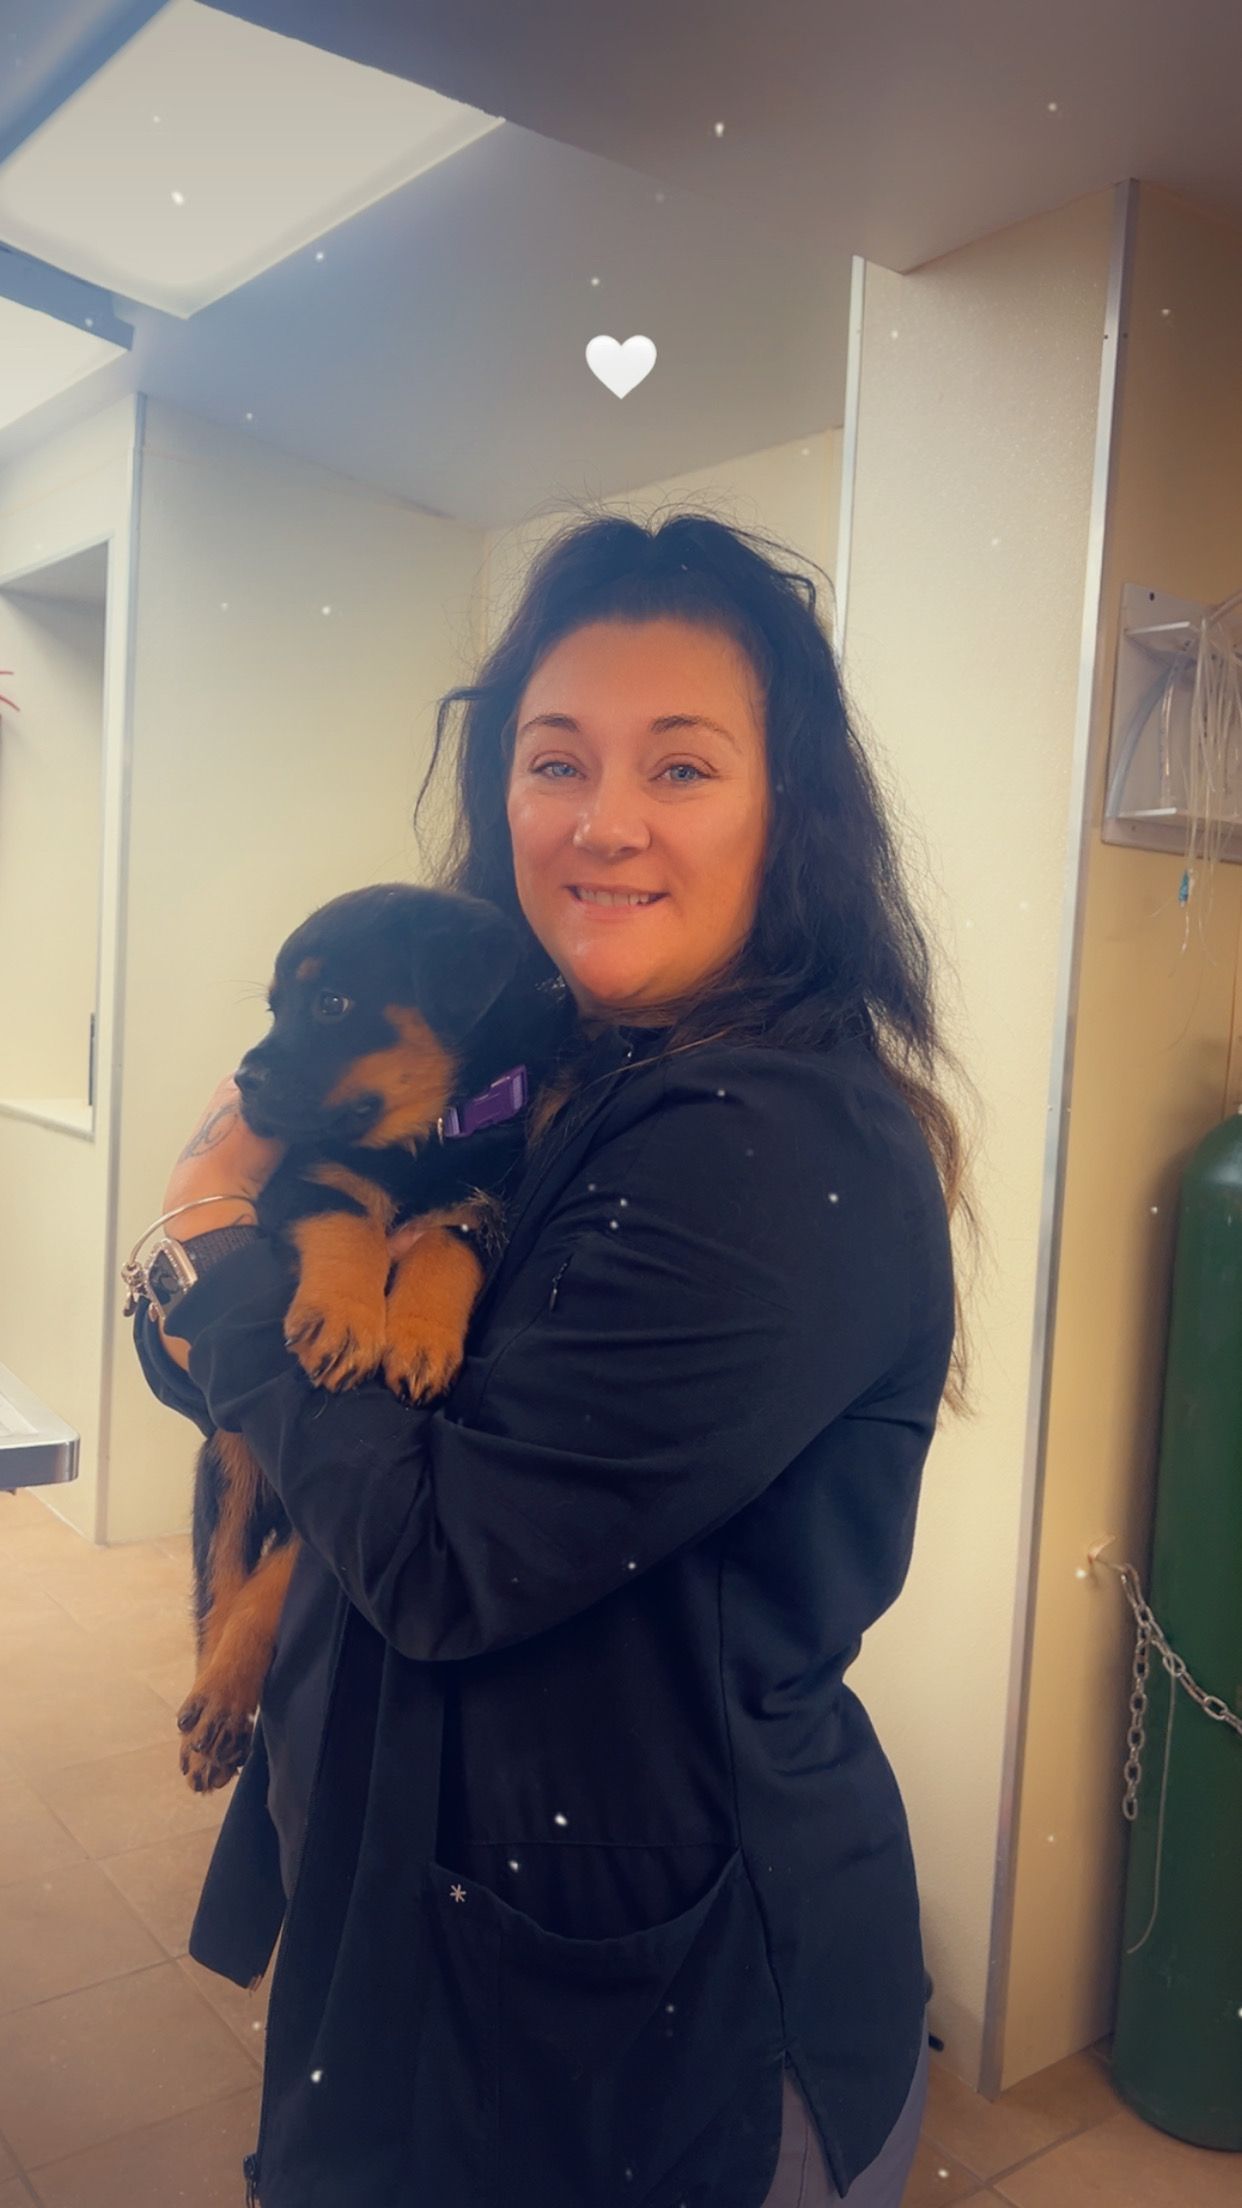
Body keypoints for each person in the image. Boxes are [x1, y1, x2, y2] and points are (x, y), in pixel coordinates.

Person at [131, 509, 981, 2208]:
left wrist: (210, 1248)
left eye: (681, 765)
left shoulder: (763, 1145)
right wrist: (234, 1277)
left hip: (661, 2034)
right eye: (554, 761)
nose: (603, 822)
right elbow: (232, 1382)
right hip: (453, 1931)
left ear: (787, 810)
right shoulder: (553, 1071)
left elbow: (442, 1558)